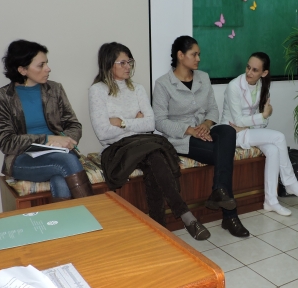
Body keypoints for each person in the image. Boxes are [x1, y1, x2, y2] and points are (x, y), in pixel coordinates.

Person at [89, 42, 209, 240]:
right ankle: (184, 216)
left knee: (154, 158)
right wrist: (136, 121)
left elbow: (150, 123)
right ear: (109, 64)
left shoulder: (137, 88)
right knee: (155, 154)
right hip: (117, 148)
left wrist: (122, 122)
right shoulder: (98, 90)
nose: (128, 66)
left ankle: (160, 230)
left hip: (144, 142)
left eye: (129, 62)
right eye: (122, 63)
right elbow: (103, 132)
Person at [153, 36, 249, 238]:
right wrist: (190, 130)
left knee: (228, 131)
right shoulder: (163, 84)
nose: (198, 59)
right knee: (223, 153)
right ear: (180, 55)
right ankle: (230, 216)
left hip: (205, 130)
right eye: (194, 54)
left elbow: (213, 109)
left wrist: (206, 125)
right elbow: (159, 122)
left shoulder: (203, 77)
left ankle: (219, 191)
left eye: (199, 54)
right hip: (182, 138)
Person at [0, 40, 93, 201]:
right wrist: (47, 139)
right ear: (22, 70)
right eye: (41, 65)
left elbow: (73, 124)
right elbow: (6, 142)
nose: (48, 68)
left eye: (46, 63)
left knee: (61, 178)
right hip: (22, 159)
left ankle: (66, 217)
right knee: (68, 162)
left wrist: (66, 141)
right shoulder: (3, 98)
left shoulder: (55, 89)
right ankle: (92, 209)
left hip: (59, 154)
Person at [221, 52, 298, 216]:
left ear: (264, 73)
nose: (249, 72)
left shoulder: (263, 86)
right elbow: (240, 120)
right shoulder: (234, 86)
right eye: (248, 67)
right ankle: (289, 182)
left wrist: (259, 119)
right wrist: (262, 116)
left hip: (248, 131)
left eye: (255, 70)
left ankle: (271, 201)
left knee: (273, 150)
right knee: (279, 137)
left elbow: (262, 122)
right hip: (231, 133)